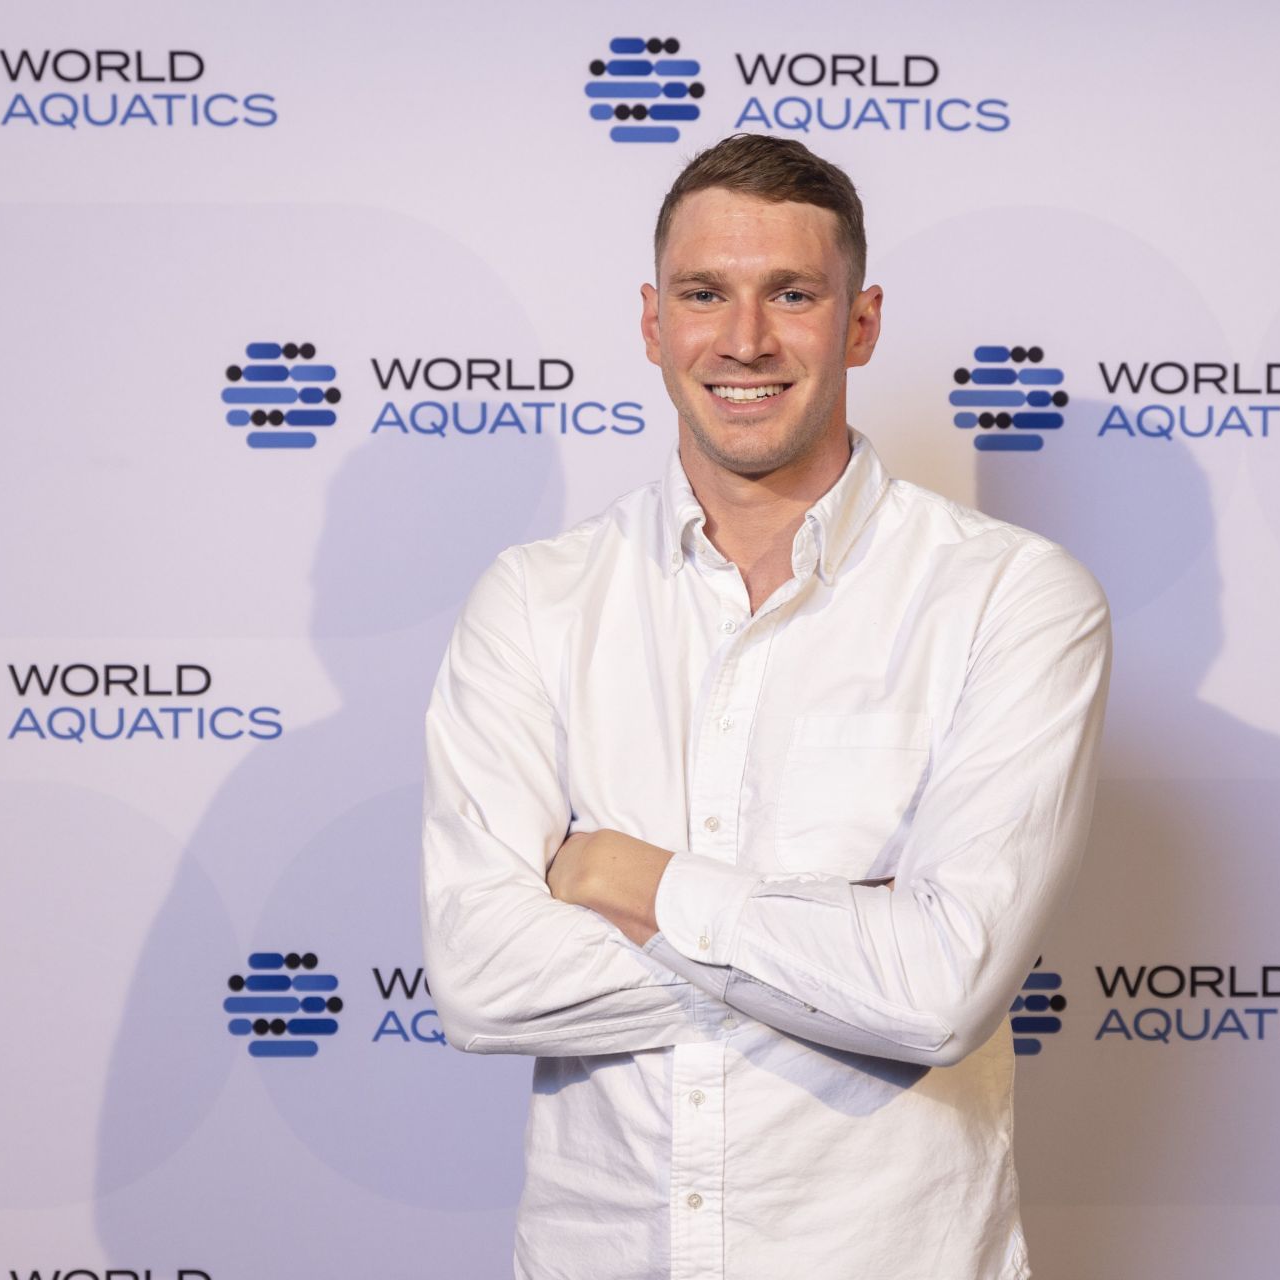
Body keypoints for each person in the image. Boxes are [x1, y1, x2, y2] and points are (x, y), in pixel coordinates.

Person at [420, 132, 1111, 1280]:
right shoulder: (535, 601)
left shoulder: (1012, 598)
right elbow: (484, 975)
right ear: (653, 322)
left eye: (792, 293)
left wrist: (630, 877)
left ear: (861, 322)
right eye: (706, 294)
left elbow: (940, 991)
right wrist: (848, 940)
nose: (744, 340)